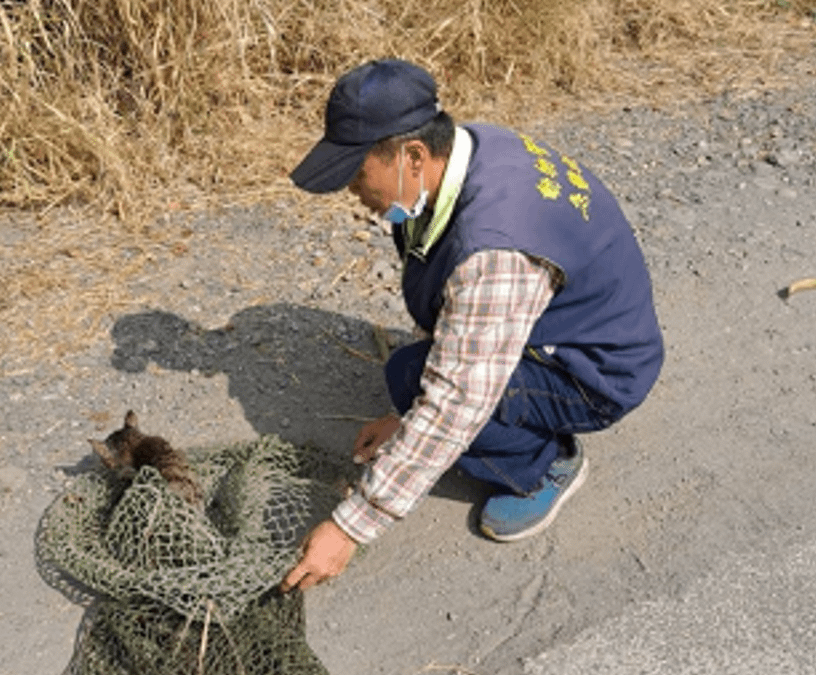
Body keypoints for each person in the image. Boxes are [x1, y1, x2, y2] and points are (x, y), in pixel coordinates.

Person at [279, 59, 664, 593]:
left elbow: (457, 401)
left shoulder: (494, 250)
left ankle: (546, 465)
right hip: (563, 325)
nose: (351, 191)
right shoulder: (471, 150)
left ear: (412, 154)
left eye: (357, 174)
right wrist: (404, 422)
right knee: (410, 379)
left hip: (598, 372)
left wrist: (349, 527)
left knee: (420, 384)